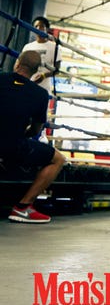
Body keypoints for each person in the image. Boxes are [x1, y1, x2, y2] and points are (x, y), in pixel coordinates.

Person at [0, 50, 66, 223]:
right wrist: (19, 135)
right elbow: (36, 130)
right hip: (12, 146)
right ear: (36, 71)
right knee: (58, 159)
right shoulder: (40, 95)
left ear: (17, 63)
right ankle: (23, 207)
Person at [22, 16, 62, 95]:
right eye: (36, 26)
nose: (38, 28)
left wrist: (44, 76)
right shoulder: (28, 47)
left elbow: (57, 70)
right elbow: (21, 65)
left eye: (42, 26)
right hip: (27, 86)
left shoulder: (54, 47)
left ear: (47, 29)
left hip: (43, 89)